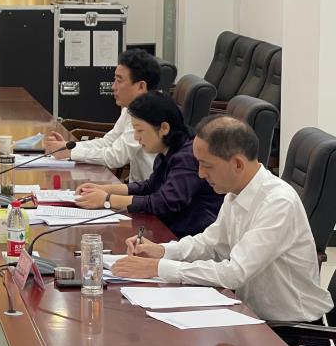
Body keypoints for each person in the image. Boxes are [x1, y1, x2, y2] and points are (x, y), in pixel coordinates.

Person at [114, 116, 333, 322]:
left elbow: (234, 273)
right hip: (248, 313)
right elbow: (211, 244)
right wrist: (162, 251)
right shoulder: (235, 191)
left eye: (207, 165)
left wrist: (157, 268)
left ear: (237, 164)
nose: (200, 174)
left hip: (287, 329)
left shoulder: (278, 203)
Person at [74, 91, 222, 238]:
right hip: (169, 231)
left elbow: (164, 203)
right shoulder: (166, 152)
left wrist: (107, 199)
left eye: (140, 130)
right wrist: (104, 189)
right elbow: (149, 187)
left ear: (164, 128)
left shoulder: (188, 157)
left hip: (187, 239)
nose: (136, 137)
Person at [44, 48, 159, 180]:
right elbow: (108, 142)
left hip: (152, 191)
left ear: (141, 87)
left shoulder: (149, 115)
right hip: (137, 188)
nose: (113, 87)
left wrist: (70, 152)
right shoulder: (131, 109)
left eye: (119, 81)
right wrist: (67, 146)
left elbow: (116, 157)